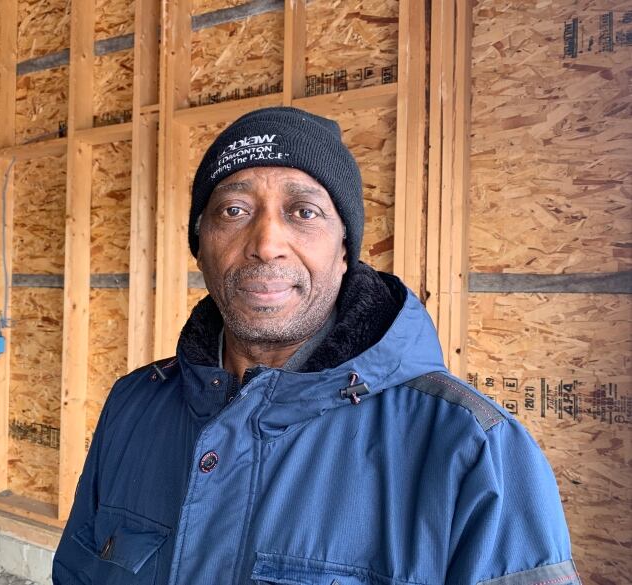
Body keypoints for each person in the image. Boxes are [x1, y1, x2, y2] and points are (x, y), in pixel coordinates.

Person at [52, 107, 580, 585]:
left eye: (303, 212)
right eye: (234, 210)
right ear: (200, 246)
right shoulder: (134, 406)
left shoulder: (472, 449)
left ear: (344, 248)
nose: (265, 243)